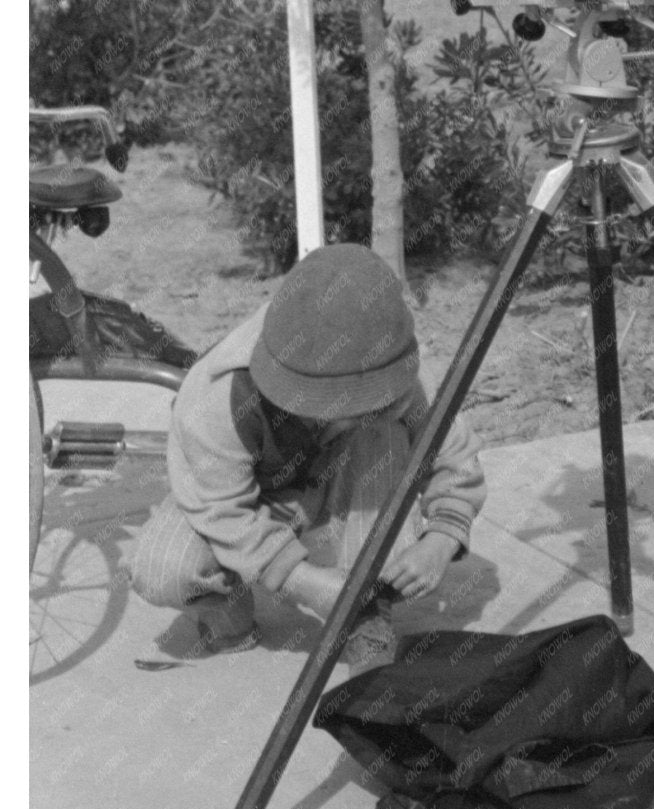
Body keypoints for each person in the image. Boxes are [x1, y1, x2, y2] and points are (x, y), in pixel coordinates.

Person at [132, 244, 485, 666]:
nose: (346, 409)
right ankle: (227, 612)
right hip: (255, 499)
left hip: (344, 482)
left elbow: (453, 455)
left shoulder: (387, 354)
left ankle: (365, 610)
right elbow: (221, 508)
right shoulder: (217, 394)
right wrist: (301, 580)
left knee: (386, 436)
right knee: (162, 569)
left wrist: (443, 537)